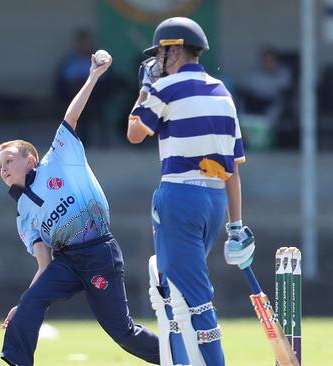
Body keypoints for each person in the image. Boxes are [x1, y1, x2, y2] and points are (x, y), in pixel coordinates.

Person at [0, 54, 159, 366]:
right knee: (30, 301)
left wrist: (93, 76)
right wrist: (26, 305)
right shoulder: (24, 215)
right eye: (0, 165)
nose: (3, 168)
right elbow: (44, 265)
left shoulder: (57, 158)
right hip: (67, 262)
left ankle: (177, 357)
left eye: (9, 161)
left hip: (99, 251)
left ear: (30, 160)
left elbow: (70, 117)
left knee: (122, 333)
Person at [126, 17, 256, 366]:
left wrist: (144, 92)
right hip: (214, 202)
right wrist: (236, 226)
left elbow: (135, 133)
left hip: (180, 197)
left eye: (162, 52)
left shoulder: (165, 88)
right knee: (175, 293)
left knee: (193, 299)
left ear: (175, 50)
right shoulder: (222, 91)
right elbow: (233, 170)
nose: (158, 61)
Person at [55, 28, 112, 146]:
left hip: (94, 97)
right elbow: (61, 82)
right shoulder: (69, 60)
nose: (83, 45)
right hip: (72, 97)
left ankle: (89, 145)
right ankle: (78, 145)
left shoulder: (98, 61)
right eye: (81, 41)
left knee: (89, 108)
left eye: (86, 41)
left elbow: (107, 81)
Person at [240, 46, 292, 125]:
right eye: (265, 61)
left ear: (276, 61)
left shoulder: (283, 73)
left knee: (273, 113)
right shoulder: (254, 73)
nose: (268, 64)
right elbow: (245, 88)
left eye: (271, 61)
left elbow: (284, 91)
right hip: (256, 103)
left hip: (274, 103)